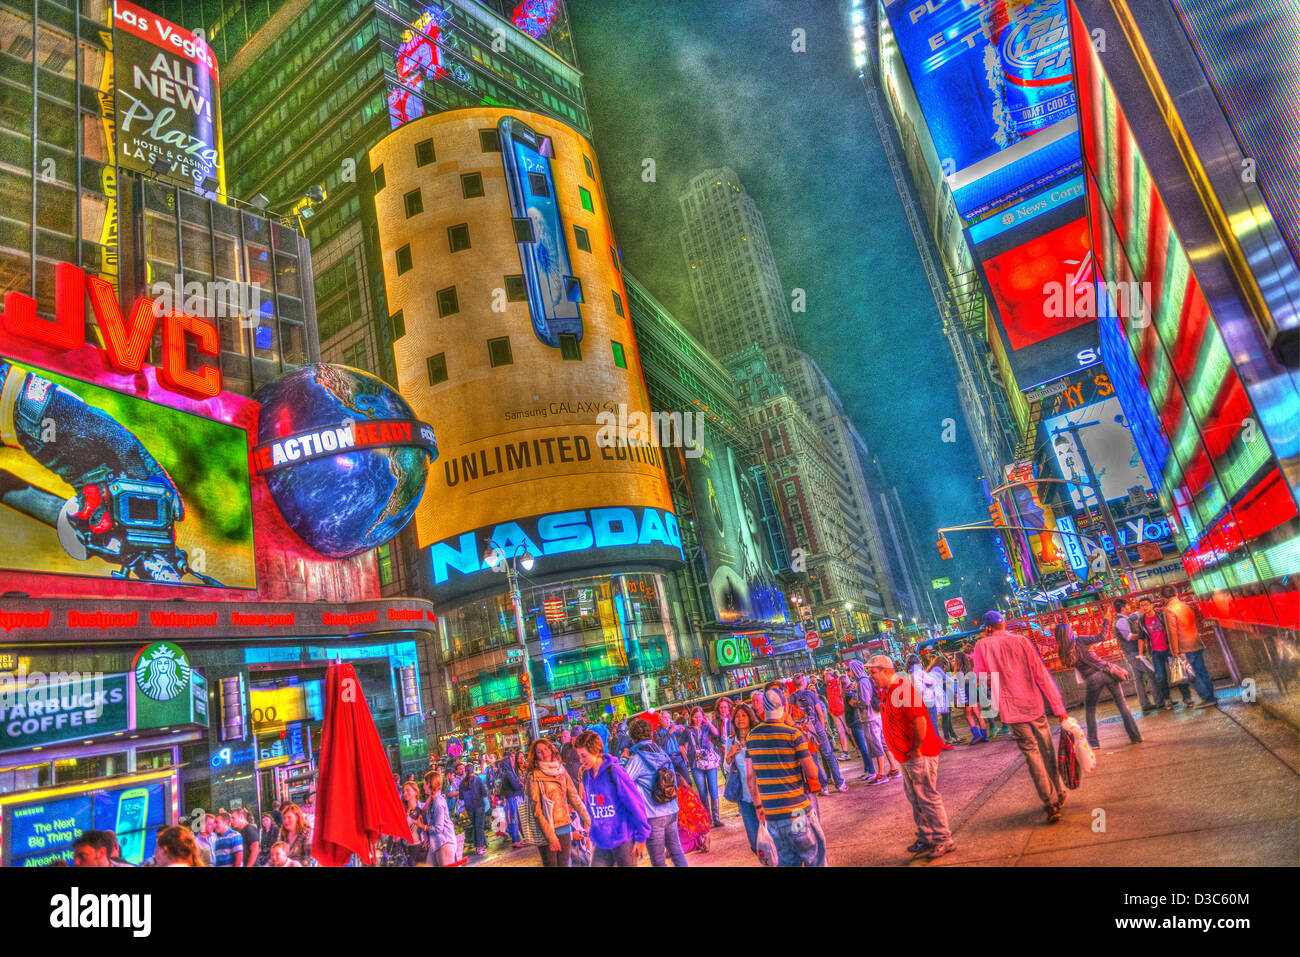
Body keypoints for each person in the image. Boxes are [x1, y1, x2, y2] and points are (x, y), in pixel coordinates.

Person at [971, 610, 1070, 823]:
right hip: (1033, 704)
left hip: (1011, 709)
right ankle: (1059, 792)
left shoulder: (982, 646)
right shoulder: (1022, 641)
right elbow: (1040, 673)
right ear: (1003, 623)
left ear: (987, 627)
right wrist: (1058, 707)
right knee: (1046, 750)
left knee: (1031, 753)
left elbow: (980, 676)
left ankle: (1050, 801)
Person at [869, 655, 955, 860]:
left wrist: (916, 749)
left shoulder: (901, 689)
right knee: (916, 798)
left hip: (919, 754)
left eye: (873, 672)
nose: (870, 676)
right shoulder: (888, 691)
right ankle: (927, 837)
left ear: (886, 671)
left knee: (927, 797)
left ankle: (943, 839)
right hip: (906, 756)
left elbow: (920, 721)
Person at [745, 685, 826, 866]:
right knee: (813, 857)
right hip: (796, 811)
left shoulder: (751, 737)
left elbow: (750, 777)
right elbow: (812, 773)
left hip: (772, 814)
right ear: (783, 707)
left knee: (786, 860)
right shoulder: (793, 734)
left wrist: (758, 806)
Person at [1054, 611, 1143, 749]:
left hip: (1092, 679)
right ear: (1070, 631)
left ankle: (1094, 743)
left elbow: (1075, 661)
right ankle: (1135, 736)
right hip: (1107, 672)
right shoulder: (1080, 640)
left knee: (1090, 710)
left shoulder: (1063, 652)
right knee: (1122, 704)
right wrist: (1107, 620)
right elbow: (1102, 636)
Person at [576, 730, 650, 866]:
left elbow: (635, 804)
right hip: (601, 842)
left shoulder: (615, 772)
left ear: (596, 752)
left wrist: (641, 836)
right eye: (579, 756)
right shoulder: (586, 776)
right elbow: (591, 808)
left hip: (623, 839)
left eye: (584, 756)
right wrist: (592, 832)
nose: (581, 760)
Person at [624, 717, 689, 866]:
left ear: (632, 737)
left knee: (658, 861)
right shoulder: (661, 752)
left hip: (653, 815)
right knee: (677, 852)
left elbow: (624, 781)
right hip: (671, 810)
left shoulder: (637, 759)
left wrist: (622, 760)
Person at [527, 737, 589, 866]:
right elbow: (536, 810)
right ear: (535, 755)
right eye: (540, 751)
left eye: (546, 749)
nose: (544, 753)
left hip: (565, 826)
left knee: (565, 864)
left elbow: (574, 798)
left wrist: (590, 821)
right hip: (547, 831)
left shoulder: (561, 770)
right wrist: (551, 837)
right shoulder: (534, 776)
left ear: (551, 749)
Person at [790, 673, 847, 793]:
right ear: (804, 683)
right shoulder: (811, 694)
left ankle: (823, 786)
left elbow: (793, 717)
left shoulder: (792, 698)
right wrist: (822, 728)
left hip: (805, 732)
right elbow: (820, 713)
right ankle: (839, 783)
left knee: (814, 760)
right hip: (817, 728)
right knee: (829, 756)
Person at [1163, 584, 1218, 709]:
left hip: (1184, 647)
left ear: (1162, 597)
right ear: (1175, 593)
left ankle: (1207, 698)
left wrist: (1174, 650)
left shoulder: (1169, 610)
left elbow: (1172, 632)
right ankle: (1211, 696)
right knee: (1202, 671)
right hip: (1196, 642)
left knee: (1191, 675)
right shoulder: (1185, 606)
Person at [1140, 595, 1193, 710]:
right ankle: (1167, 700)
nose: (1144, 607)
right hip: (1156, 652)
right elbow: (1142, 637)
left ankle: (1187, 697)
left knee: (1179, 674)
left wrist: (1176, 646)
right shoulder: (1142, 620)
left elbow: (1172, 627)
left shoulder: (1161, 615)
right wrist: (1141, 654)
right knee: (1161, 678)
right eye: (1141, 606)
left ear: (1151, 605)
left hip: (1169, 649)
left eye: (1146, 605)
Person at [725, 702, 762, 853]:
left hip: (763, 794)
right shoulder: (730, 741)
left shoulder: (758, 736)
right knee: (755, 843)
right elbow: (727, 768)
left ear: (750, 717)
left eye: (744, 715)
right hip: (745, 797)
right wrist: (729, 754)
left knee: (771, 837)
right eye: (737, 717)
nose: (740, 719)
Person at [1113, 598, 1156, 714]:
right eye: (1128, 606)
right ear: (1123, 608)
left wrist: (1146, 608)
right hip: (1134, 653)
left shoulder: (1126, 618)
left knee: (1139, 679)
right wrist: (1143, 635)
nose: (1129, 607)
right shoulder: (1121, 621)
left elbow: (1136, 614)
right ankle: (1159, 700)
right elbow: (1129, 637)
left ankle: (1145, 704)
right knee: (1151, 673)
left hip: (1132, 653)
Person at [687, 707, 725, 827]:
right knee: (702, 792)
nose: (698, 719)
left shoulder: (706, 727)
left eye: (700, 716)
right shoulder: (688, 730)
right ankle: (708, 819)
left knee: (713, 789)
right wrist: (687, 757)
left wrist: (707, 722)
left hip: (709, 762)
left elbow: (716, 733)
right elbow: (681, 745)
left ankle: (716, 818)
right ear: (692, 717)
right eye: (696, 717)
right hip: (695, 764)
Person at [841, 666, 875, 780]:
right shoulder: (852, 688)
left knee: (863, 747)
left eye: (849, 672)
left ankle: (871, 771)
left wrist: (854, 697)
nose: (848, 674)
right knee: (862, 747)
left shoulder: (858, 685)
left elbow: (855, 703)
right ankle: (867, 770)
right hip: (855, 720)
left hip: (857, 721)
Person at [422, 769, 458, 865]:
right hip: (437, 843)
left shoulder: (437, 801)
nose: (423, 786)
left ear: (429, 784)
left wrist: (423, 827)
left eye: (425, 783)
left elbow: (438, 828)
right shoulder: (433, 799)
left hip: (444, 842)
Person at [953, 646, 988, 743]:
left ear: (958, 660)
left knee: (968, 715)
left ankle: (976, 735)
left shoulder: (958, 672)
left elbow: (958, 685)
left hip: (966, 694)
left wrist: (956, 694)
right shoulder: (970, 669)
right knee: (978, 714)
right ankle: (984, 736)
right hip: (973, 692)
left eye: (955, 659)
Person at [458, 757, 489, 855]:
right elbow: (484, 793)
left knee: (475, 826)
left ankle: (478, 847)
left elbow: (461, 797)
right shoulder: (477, 779)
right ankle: (479, 848)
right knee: (479, 827)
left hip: (469, 808)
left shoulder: (462, 783)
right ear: (473, 770)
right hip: (479, 806)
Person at [498, 751, 526, 849]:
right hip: (512, 799)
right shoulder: (509, 773)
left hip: (512, 798)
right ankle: (515, 840)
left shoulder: (509, 772)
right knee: (514, 820)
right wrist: (520, 785)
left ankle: (517, 839)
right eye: (511, 760)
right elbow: (515, 785)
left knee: (515, 819)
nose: (513, 762)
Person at [824, 670, 852, 760]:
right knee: (841, 732)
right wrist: (831, 710)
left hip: (842, 711)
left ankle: (859, 748)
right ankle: (845, 752)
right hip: (834, 712)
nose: (824, 677)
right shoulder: (828, 686)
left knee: (849, 731)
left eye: (825, 675)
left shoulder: (838, 682)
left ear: (829, 675)